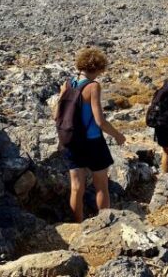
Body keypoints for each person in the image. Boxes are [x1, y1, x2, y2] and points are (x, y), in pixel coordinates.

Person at [54, 47, 126, 223]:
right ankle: (105, 224)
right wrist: (117, 135)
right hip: (93, 141)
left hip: (72, 140)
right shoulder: (93, 86)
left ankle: (78, 225)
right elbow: (100, 121)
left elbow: (56, 114)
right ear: (98, 67)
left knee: (76, 187)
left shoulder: (68, 84)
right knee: (101, 186)